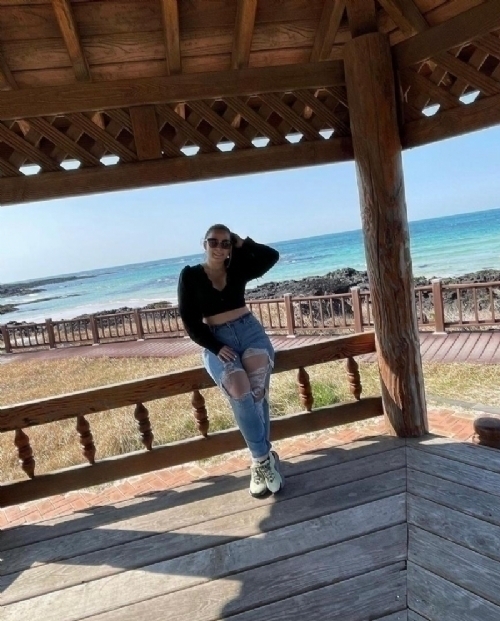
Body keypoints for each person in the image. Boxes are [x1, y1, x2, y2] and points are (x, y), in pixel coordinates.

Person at [177, 224, 283, 497]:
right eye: (214, 242)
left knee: (257, 393)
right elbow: (190, 322)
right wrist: (215, 346)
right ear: (204, 244)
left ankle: (260, 463)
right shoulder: (190, 275)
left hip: (250, 333)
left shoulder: (237, 267)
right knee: (239, 390)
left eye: (225, 243)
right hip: (218, 339)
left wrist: (242, 242)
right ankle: (264, 458)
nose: (219, 248)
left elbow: (271, 256)